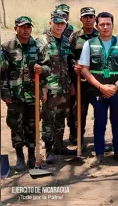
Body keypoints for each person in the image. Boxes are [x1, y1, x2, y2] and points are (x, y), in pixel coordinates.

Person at [79, 12, 118, 167]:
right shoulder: (89, 44)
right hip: (97, 91)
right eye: (102, 24)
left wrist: (115, 86)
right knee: (99, 123)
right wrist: (101, 87)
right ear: (97, 26)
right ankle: (99, 154)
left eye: (108, 24)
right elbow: (84, 69)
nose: (105, 27)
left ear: (113, 25)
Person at [1, 16, 48, 171]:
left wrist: (42, 72)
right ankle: (20, 156)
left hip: (33, 94)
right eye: (22, 27)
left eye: (28, 27)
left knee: (33, 126)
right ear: (16, 28)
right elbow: (1, 72)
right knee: (16, 125)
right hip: (15, 95)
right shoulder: (7, 47)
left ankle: (32, 156)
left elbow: (47, 67)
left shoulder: (38, 46)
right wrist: (4, 91)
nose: (26, 30)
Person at [36, 11, 76, 164]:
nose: (60, 26)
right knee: (48, 119)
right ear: (50, 22)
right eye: (57, 22)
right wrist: (42, 88)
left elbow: (68, 63)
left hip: (64, 88)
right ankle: (49, 150)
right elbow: (37, 66)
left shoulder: (65, 41)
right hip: (50, 88)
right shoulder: (42, 41)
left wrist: (72, 82)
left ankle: (59, 146)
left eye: (62, 23)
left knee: (61, 117)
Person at [69, 7, 99, 149]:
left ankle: (99, 141)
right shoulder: (75, 37)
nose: (88, 19)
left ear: (94, 19)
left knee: (100, 113)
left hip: (97, 82)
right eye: (85, 17)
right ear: (81, 19)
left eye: (91, 17)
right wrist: (74, 66)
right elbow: (69, 56)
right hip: (80, 82)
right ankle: (79, 139)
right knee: (80, 112)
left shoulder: (100, 36)